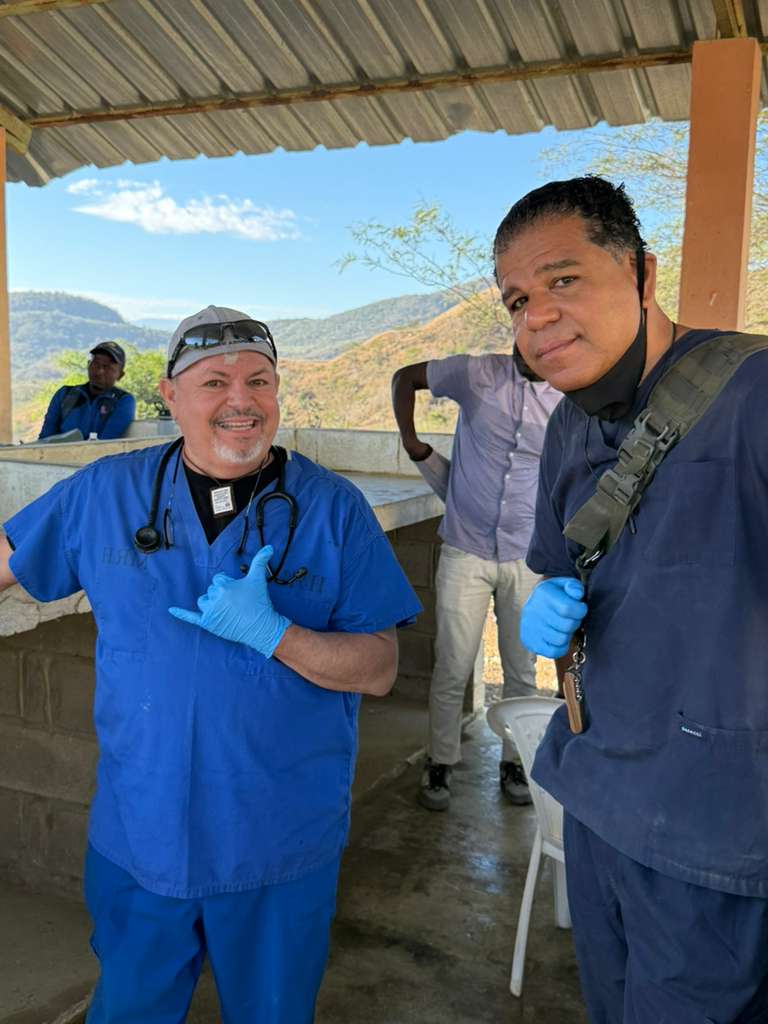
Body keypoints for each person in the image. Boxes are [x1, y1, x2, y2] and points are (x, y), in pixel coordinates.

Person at [1, 305, 421, 1024]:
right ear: (170, 395)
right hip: (142, 832)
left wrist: (277, 635)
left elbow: (379, 667)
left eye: (259, 381)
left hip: (278, 839)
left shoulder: (333, 510)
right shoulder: (105, 493)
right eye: (215, 382)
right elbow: (8, 559)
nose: (240, 401)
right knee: (129, 1008)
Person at [494, 176, 768, 1021]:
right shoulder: (570, 424)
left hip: (717, 830)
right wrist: (550, 602)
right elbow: (560, 567)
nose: (537, 316)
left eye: (564, 280)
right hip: (599, 797)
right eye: (517, 300)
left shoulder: (752, 397)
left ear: (643, 274)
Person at [391, 347, 561, 812]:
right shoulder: (477, 374)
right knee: (452, 664)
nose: (530, 345)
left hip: (526, 554)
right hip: (465, 549)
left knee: (521, 669)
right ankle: (440, 761)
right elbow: (405, 377)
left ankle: (515, 760)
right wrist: (412, 444)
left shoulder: (567, 397)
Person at [38, 341, 135, 440]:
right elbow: (45, 439)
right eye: (96, 364)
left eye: (108, 367)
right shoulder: (64, 394)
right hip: (59, 450)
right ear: (88, 364)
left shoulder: (123, 401)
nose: (100, 371)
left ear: (120, 375)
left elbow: (107, 443)